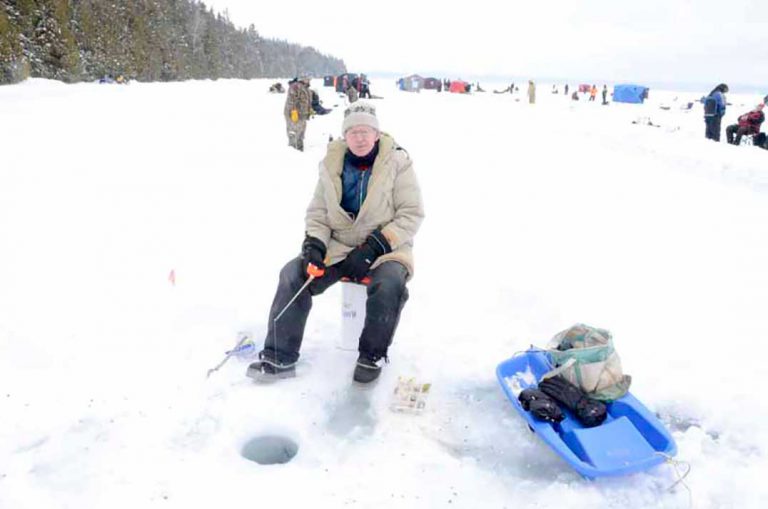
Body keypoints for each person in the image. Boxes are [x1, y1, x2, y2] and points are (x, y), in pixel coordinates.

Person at [247, 101, 425, 384]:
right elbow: (318, 212)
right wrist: (315, 245)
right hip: (339, 245)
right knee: (293, 274)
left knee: (389, 283)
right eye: (353, 132)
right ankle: (279, 355)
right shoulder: (331, 164)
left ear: (377, 134)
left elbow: (411, 214)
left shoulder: (398, 162)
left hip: (386, 247)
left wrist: (374, 247)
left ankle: (371, 357)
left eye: (366, 131)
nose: (360, 138)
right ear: (345, 136)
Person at [284, 77, 312, 151]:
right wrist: (293, 111)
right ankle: (292, 149)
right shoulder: (295, 86)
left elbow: (306, 101)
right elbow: (292, 100)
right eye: (307, 79)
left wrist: (309, 111)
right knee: (293, 131)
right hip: (294, 113)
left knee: (301, 132)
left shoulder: (306, 88)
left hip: (302, 114)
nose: (309, 80)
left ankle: (299, 148)